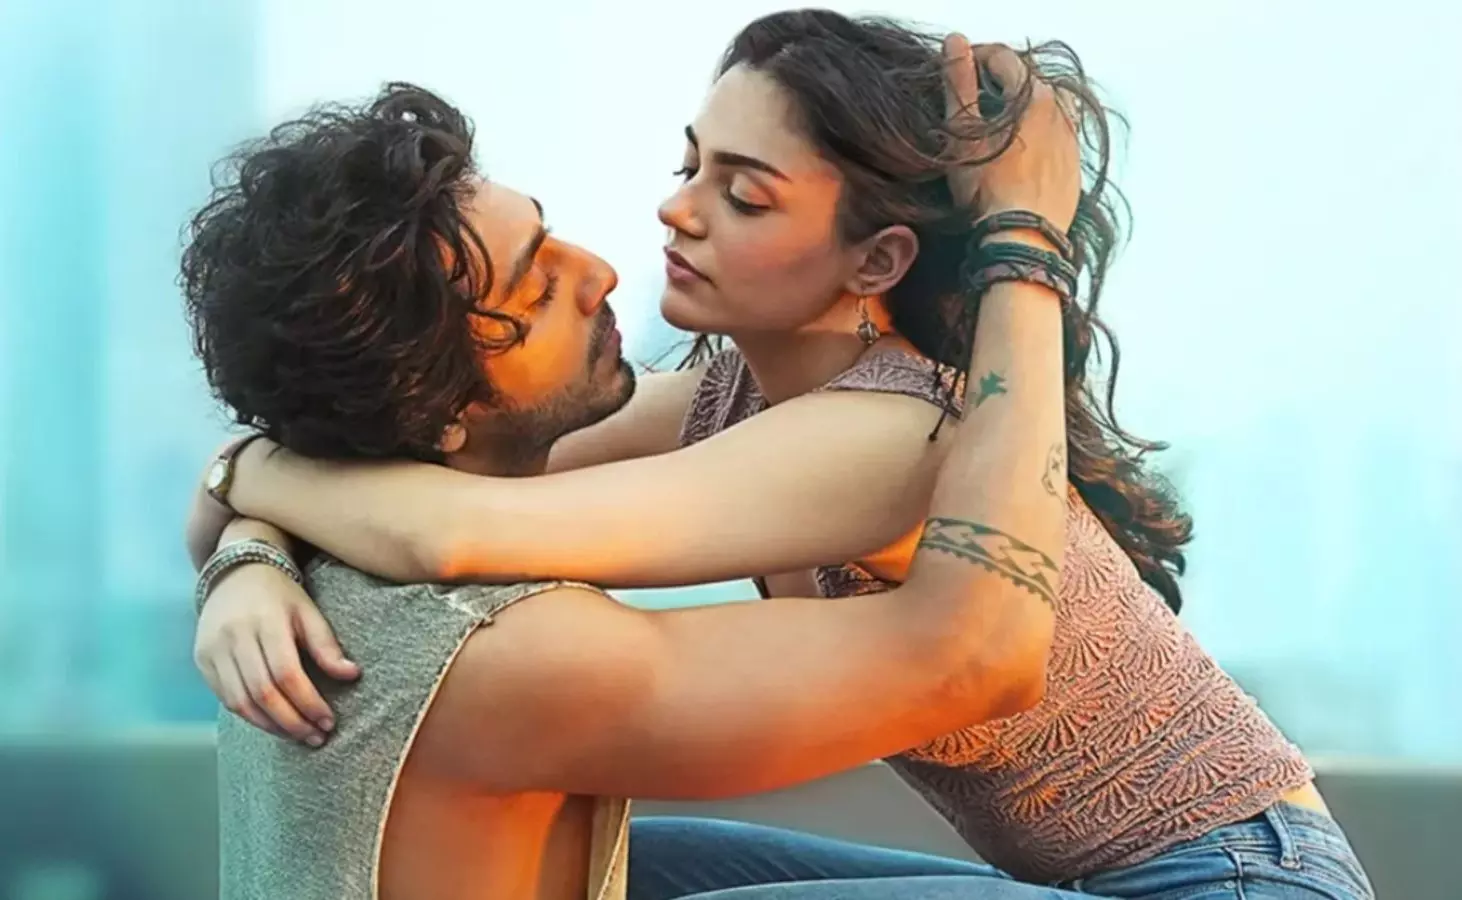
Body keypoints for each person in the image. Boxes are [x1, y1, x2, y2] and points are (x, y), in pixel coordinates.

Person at [189, 10, 1376, 900]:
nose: (676, 213)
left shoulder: (897, 432)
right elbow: (400, 440)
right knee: (641, 871)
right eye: (689, 167)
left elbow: (451, 530)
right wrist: (247, 554)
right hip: (1088, 879)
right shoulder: (730, 402)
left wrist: (253, 485)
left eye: (744, 197)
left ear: (876, 262)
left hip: (1237, 877)